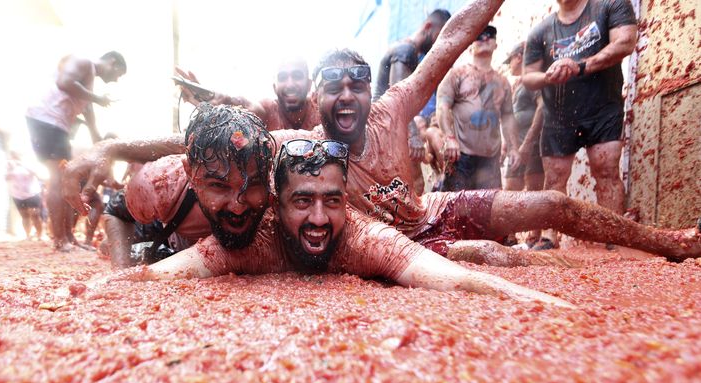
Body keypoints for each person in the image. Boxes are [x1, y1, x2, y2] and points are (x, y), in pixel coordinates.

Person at [61, 0, 700, 265]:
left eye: (355, 86)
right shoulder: (299, 147)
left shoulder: (395, 106)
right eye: (333, 88)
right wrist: (115, 145)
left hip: (436, 210)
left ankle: (667, 243)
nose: (346, 98)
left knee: (553, 204)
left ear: (369, 89)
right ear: (316, 98)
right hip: (393, 246)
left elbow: (452, 40)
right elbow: (202, 147)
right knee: (488, 257)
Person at [88, 139, 571, 307]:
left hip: (408, 215)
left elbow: (456, 280)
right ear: (276, 205)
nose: (319, 218)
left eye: (331, 202)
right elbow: (155, 277)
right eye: (302, 202)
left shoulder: (365, 239)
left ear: (344, 202)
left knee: (492, 253)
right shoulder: (243, 241)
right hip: (152, 219)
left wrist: (554, 307)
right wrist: (100, 289)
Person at [522, 0, 638, 248]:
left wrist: (580, 66)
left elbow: (626, 41)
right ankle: (549, 238)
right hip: (558, 114)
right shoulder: (540, 31)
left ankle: (613, 234)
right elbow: (527, 76)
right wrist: (548, 75)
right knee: (554, 178)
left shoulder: (610, 5)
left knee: (606, 170)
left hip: (602, 107)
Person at [104, 104, 276, 268]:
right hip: (161, 229)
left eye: (252, 184)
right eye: (219, 185)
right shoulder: (162, 184)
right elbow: (115, 211)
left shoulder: (282, 177)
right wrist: (121, 270)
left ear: (268, 170)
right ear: (190, 173)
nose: (237, 207)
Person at [26, 51, 127, 252]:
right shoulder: (84, 62)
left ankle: (69, 237)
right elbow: (65, 82)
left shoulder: (87, 83)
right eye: (118, 74)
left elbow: (90, 118)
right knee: (58, 178)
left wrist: (101, 144)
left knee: (65, 179)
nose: (115, 80)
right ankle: (60, 240)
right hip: (48, 120)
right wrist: (97, 98)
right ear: (112, 62)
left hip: (56, 125)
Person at [374, 9, 452, 194]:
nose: (437, 44)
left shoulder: (408, 53)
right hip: (385, 129)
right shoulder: (405, 50)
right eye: (437, 37)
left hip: (388, 128)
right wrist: (414, 136)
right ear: (427, 27)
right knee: (413, 186)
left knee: (410, 187)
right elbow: (398, 98)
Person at [437, 25, 521, 191]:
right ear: (470, 45)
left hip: (490, 161)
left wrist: (513, 148)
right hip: (461, 157)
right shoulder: (457, 74)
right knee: (456, 210)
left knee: (488, 212)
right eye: (479, 35)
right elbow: (442, 107)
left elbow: (508, 117)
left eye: (489, 35)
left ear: (496, 44)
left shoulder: (503, 82)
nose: (484, 38)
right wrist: (449, 138)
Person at [176, 57, 321, 132]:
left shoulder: (322, 112)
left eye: (297, 76)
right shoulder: (267, 111)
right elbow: (246, 107)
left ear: (309, 84)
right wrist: (221, 103)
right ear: (274, 87)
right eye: (283, 78)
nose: (290, 84)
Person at [502, 41, 546, 247]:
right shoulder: (516, 84)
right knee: (510, 189)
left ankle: (534, 237)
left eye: (509, 60)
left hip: (532, 143)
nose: (509, 65)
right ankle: (509, 236)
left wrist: (528, 142)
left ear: (518, 57)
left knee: (534, 190)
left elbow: (541, 108)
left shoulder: (531, 81)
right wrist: (506, 145)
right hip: (515, 146)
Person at [5, 151, 44, 240]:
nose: (13, 158)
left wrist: (22, 164)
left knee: (35, 214)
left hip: (32, 193)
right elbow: (6, 178)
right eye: (12, 156)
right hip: (17, 194)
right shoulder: (9, 165)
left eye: (15, 156)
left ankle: (39, 235)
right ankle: (28, 235)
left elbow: (37, 174)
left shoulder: (28, 163)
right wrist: (10, 169)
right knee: (24, 216)